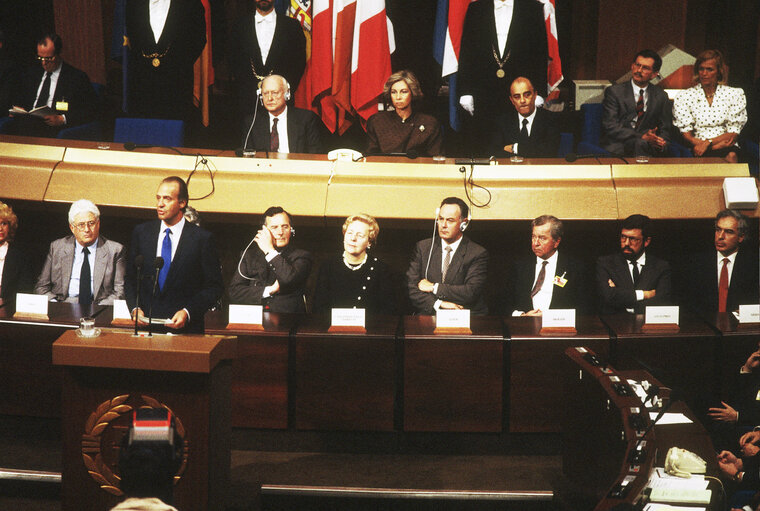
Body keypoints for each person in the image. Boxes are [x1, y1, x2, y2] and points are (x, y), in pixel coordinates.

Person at [124, 176, 224, 333]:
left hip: (187, 330)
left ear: (182, 203)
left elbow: (214, 287)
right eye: (158, 198)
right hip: (147, 329)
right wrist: (134, 308)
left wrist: (188, 311)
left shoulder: (202, 239)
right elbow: (130, 278)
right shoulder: (142, 233)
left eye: (167, 199)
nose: (160, 204)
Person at [457, 0, 548, 156]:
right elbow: (467, 50)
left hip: (519, 92)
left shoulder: (532, 8)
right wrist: (465, 90)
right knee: (483, 145)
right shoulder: (477, 8)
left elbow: (540, 52)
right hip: (483, 90)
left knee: (514, 144)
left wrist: (539, 92)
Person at [125, 0, 206, 121]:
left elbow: (198, 40)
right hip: (142, 83)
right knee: (143, 133)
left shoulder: (191, 4)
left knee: (175, 132)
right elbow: (133, 40)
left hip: (177, 82)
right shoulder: (134, 4)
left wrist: (177, 64)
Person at [34, 199, 125, 306]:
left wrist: (97, 310)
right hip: (63, 307)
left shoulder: (115, 250)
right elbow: (41, 287)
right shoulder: (57, 247)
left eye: (91, 223)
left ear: (98, 223)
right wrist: (56, 306)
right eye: (81, 225)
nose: (87, 229)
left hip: (98, 308)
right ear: (72, 228)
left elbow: (120, 292)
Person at [407, 197, 488, 315]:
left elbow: (471, 291)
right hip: (430, 315)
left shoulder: (477, 253)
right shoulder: (423, 247)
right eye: (440, 219)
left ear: (463, 224)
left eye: (450, 220)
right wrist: (439, 304)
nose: (443, 225)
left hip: (463, 316)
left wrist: (435, 287)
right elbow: (412, 288)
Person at [11, 33, 96, 137]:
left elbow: (91, 110)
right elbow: (22, 99)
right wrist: (18, 109)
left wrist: (63, 119)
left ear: (58, 54)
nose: (43, 63)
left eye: (48, 59)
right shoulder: (32, 74)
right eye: (40, 58)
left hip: (54, 128)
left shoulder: (76, 78)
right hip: (29, 124)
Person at [229, 206, 312, 313]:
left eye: (285, 226)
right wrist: (269, 290)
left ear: (291, 230)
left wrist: (270, 251)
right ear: (264, 231)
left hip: (287, 321)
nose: (280, 232)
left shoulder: (302, 256)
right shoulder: (249, 256)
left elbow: (288, 279)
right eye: (274, 227)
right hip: (255, 319)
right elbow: (234, 292)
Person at [230, 0, 306, 115]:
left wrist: (282, 90)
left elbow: (298, 63)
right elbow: (234, 61)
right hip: (247, 101)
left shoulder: (292, 26)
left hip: (281, 99)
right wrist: (247, 90)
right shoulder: (239, 26)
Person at [673, 49, 747, 163]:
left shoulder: (734, 94)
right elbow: (687, 135)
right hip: (697, 145)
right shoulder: (685, 96)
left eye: (709, 69)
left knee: (731, 155)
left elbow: (733, 133)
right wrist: (703, 145)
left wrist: (709, 143)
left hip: (726, 144)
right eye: (701, 69)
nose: (704, 73)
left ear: (719, 71)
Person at [312, 214, 395, 315]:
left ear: (369, 242)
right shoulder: (328, 266)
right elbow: (319, 308)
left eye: (360, 235)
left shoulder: (382, 270)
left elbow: (387, 311)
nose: (353, 238)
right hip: (331, 329)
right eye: (349, 233)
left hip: (371, 328)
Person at [508, 215, 589, 316]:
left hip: (560, 328)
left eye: (542, 238)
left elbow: (584, 308)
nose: (535, 243)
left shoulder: (575, 268)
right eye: (533, 237)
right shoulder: (519, 266)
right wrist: (522, 316)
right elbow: (504, 303)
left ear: (556, 242)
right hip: (524, 326)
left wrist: (550, 317)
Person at [600, 49, 674, 157]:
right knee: (640, 143)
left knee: (646, 145)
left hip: (648, 144)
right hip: (620, 144)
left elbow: (665, 127)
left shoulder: (661, 96)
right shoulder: (614, 92)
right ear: (632, 66)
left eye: (645, 68)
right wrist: (641, 136)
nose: (639, 70)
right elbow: (610, 126)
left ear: (654, 74)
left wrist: (661, 142)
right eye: (637, 65)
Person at [684, 209, 758, 315]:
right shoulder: (696, 264)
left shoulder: (754, 265)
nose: (720, 236)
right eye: (718, 230)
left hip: (741, 328)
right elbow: (688, 304)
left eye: (728, 232)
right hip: (704, 327)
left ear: (741, 237)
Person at [596, 214, 672, 314]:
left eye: (633, 239)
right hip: (616, 325)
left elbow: (661, 301)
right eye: (623, 237)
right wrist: (645, 295)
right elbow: (609, 296)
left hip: (649, 325)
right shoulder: (606, 263)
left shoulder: (661, 267)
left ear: (646, 241)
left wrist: (624, 303)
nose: (626, 243)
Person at [365, 70, 443, 157]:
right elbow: (370, 158)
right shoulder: (377, 121)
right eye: (394, 92)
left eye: (404, 92)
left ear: (412, 93)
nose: (398, 97)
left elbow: (436, 160)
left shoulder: (429, 123)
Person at [241, 74, 324, 154]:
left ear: (287, 94)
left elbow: (316, 154)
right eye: (265, 93)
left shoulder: (306, 119)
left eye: (275, 93)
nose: (269, 98)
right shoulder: (252, 122)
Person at [491, 77, 560, 158]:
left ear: (535, 95)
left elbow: (549, 153)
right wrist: (533, 149)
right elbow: (495, 153)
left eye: (527, 95)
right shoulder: (502, 122)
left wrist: (515, 148)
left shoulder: (551, 119)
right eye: (517, 97)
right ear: (512, 100)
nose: (522, 100)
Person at [0, 201, 33, 305]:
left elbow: (25, 291)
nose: (0, 228)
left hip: (8, 310)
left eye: (3, 223)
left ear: (10, 226)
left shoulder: (20, 256)